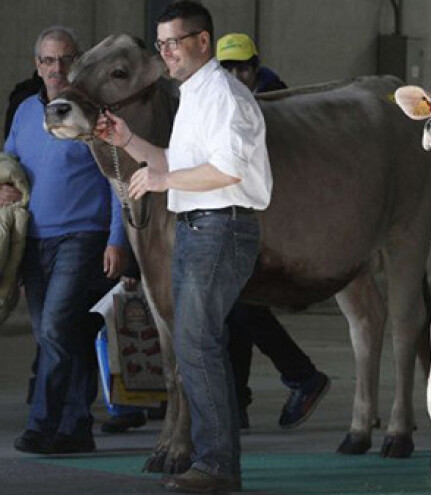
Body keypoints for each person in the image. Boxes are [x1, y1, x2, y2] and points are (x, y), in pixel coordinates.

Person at [96, 2, 272, 492]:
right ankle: (216, 461)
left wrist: (163, 179)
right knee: (195, 345)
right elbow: (175, 159)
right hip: (201, 227)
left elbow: (229, 168)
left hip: (221, 226)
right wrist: (128, 139)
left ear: (203, 42)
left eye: (175, 42)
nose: (166, 53)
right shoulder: (194, 94)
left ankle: (217, 465)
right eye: (161, 44)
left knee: (197, 345)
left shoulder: (221, 94)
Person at [4, 25, 129, 455]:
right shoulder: (23, 112)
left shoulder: (95, 111)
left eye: (66, 59)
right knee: (60, 334)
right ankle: (77, 427)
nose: (57, 69)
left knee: (56, 327)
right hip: (35, 241)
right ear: (36, 66)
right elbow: (9, 165)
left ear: (79, 62)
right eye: (48, 60)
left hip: (84, 236)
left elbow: (117, 177)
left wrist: (117, 239)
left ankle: (42, 423)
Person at [215, 32, 329, 430]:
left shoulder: (275, 104)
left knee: (239, 305)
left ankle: (301, 376)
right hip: (241, 219)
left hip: (267, 221)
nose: (235, 75)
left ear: (255, 66)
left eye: (242, 67)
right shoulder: (225, 102)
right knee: (238, 310)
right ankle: (239, 401)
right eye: (226, 68)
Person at [215, 32, 287, 93]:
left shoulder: (279, 99)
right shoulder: (210, 97)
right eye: (227, 70)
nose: (235, 77)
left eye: (242, 69)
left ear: (256, 68)